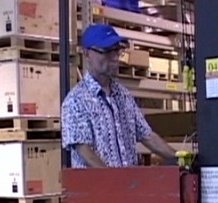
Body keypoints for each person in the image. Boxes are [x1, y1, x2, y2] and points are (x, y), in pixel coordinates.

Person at [61, 24, 177, 168]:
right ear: (86, 54)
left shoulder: (124, 96)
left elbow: (147, 135)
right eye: (107, 51)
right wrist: (114, 182)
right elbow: (85, 152)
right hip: (97, 188)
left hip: (127, 187)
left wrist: (180, 159)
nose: (115, 58)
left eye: (117, 51)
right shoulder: (75, 101)